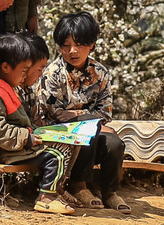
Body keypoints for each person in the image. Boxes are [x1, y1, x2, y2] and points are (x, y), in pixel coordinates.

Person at [38, 11, 131, 214]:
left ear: (92, 44)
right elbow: (55, 114)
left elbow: (105, 113)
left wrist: (77, 115)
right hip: (61, 136)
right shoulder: (53, 73)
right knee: (87, 131)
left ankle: (110, 192)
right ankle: (79, 187)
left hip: (92, 130)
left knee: (115, 143)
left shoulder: (100, 72)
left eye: (79, 45)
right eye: (66, 45)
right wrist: (85, 117)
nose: (73, 51)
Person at [0, 32, 75, 215]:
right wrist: (26, 137)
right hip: (7, 149)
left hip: (17, 144)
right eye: (23, 71)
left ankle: (55, 191)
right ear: (5, 67)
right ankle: (46, 198)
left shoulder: (6, 89)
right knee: (57, 154)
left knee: (68, 143)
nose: (25, 76)